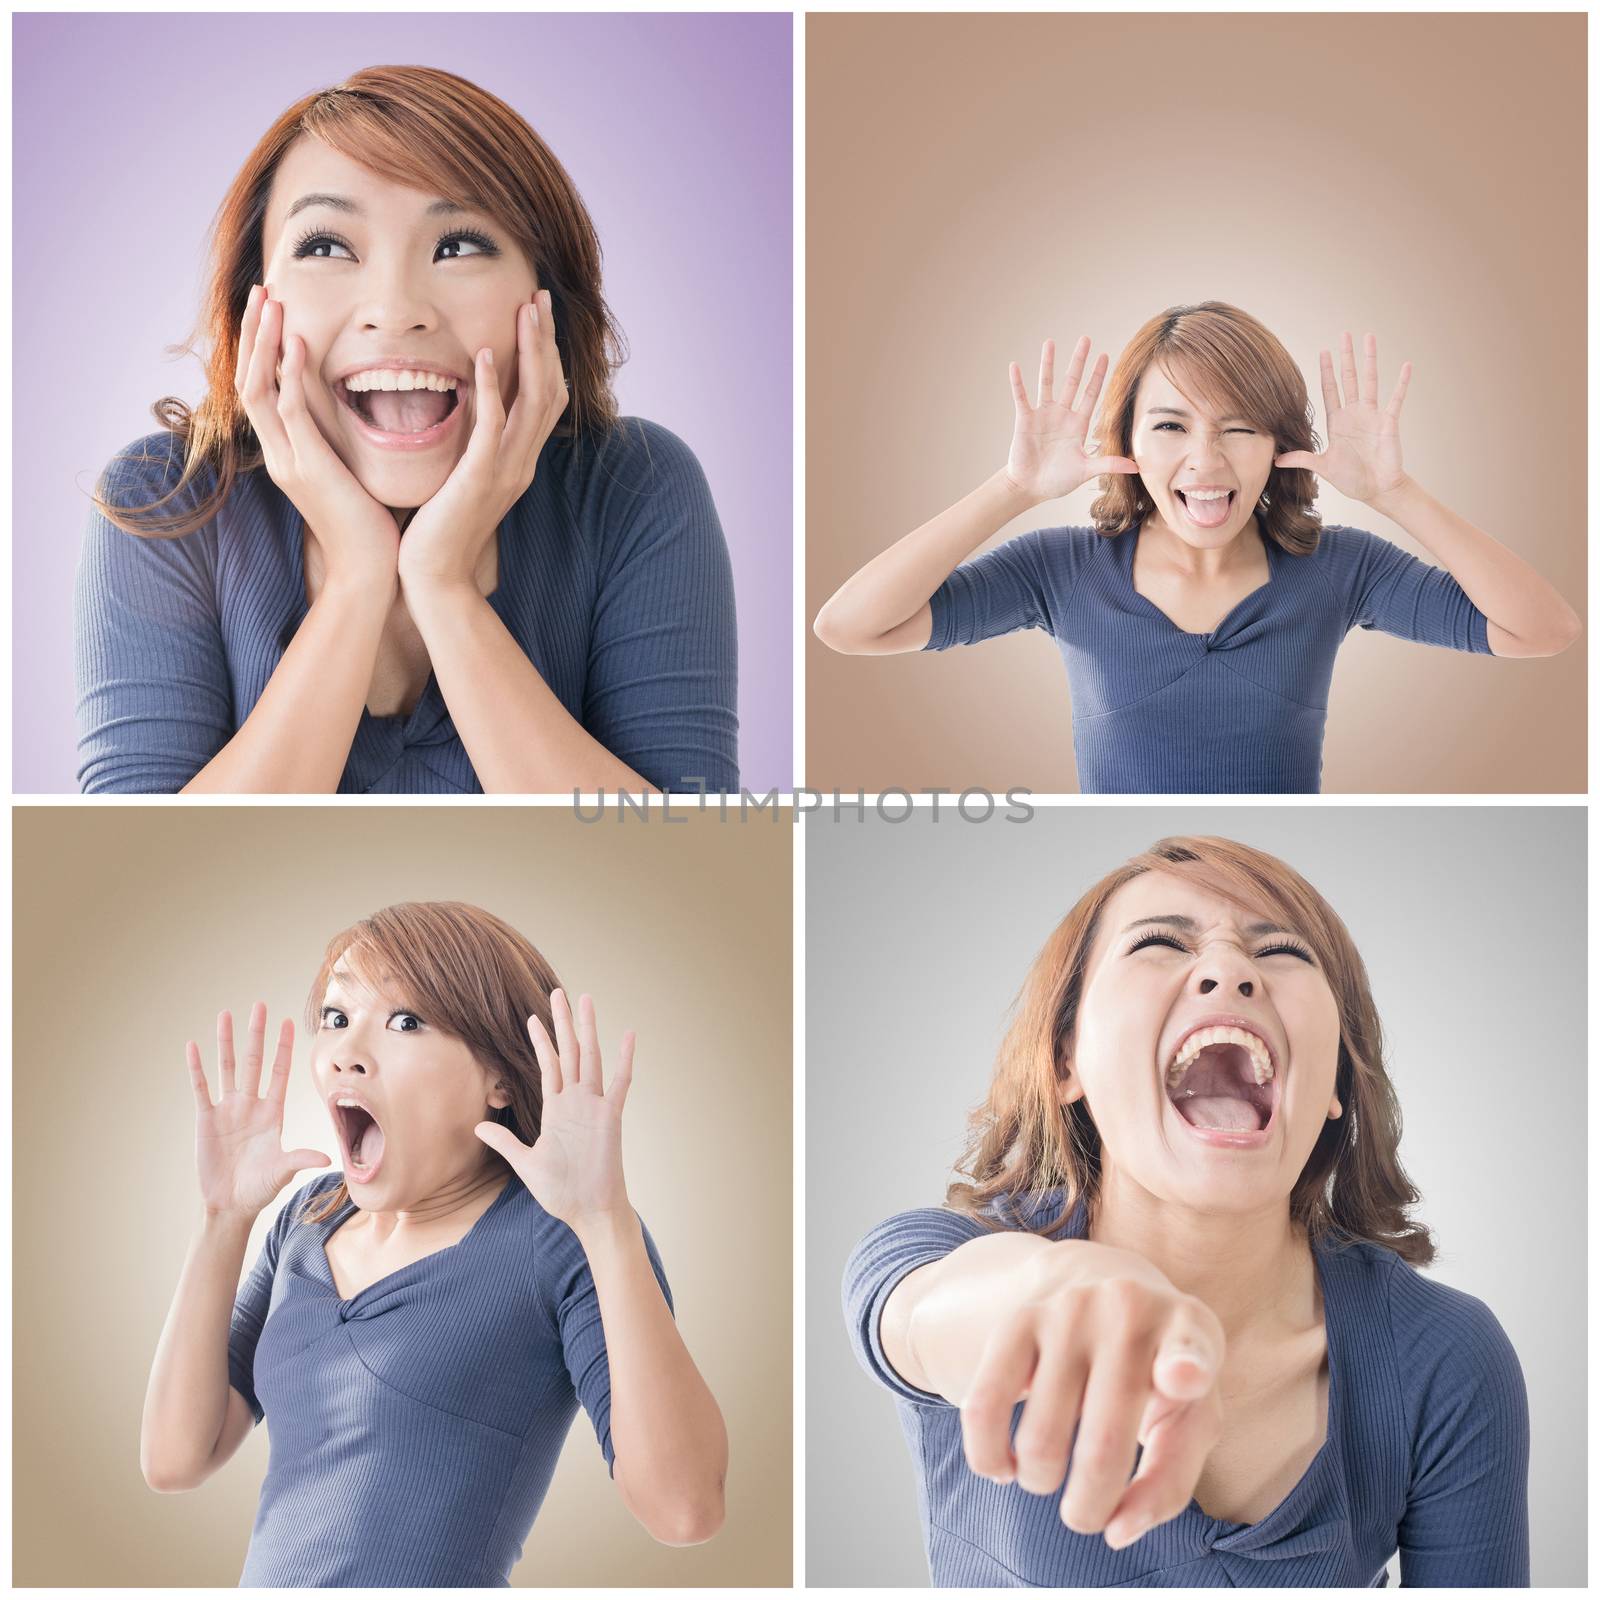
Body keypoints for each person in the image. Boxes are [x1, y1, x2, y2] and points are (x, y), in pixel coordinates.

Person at [843, 836, 1529, 1586]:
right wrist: (1051, 1290)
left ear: (1335, 1074)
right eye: (1162, 942)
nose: (1230, 970)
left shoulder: (1448, 1358)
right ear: (1067, 1058)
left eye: (1282, 953)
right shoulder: (940, 1253)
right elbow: (914, 1316)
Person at [77, 66, 738, 795]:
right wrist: (359, 578)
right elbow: (160, 873)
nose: (394, 310)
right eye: (327, 246)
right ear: (253, 302)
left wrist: (442, 585)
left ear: (545, 299)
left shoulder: (634, 487)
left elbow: (677, 851)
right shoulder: (165, 500)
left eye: (458, 245)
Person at [140, 901, 727, 1586]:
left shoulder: (558, 1239)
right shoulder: (308, 1216)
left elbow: (686, 1511)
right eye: (336, 1018)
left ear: (500, 1079)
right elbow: (176, 1459)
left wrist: (606, 1222)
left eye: (405, 1021)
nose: (346, 1056)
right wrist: (222, 1219)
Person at [813, 303, 1579, 793]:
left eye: (1239, 427)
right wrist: (1011, 490)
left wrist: (1393, 492)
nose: (1206, 464)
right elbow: (850, 627)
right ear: (1128, 443)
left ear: (1280, 444)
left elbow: (1544, 631)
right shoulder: (1061, 570)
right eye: (1172, 426)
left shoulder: (1339, 569)